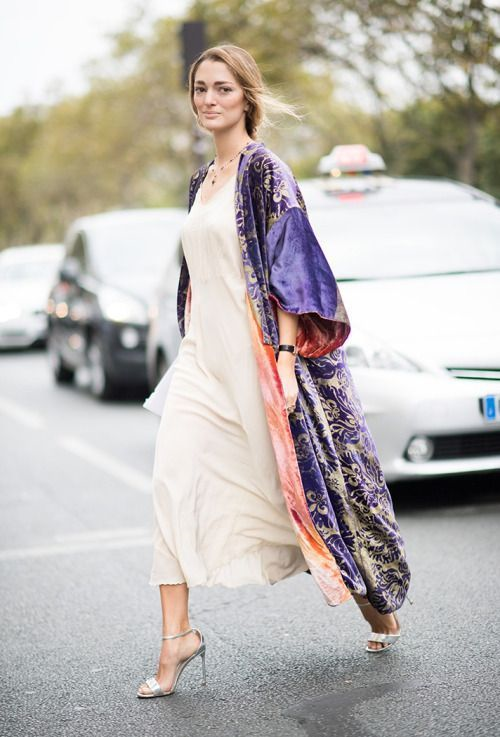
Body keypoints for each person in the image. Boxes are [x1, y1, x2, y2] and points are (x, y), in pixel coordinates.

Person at [137, 44, 411, 699]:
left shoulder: (266, 172)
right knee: (171, 482)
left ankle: (370, 596)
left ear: (246, 97)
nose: (208, 99)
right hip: (201, 361)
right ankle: (177, 638)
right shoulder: (201, 180)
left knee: (304, 493)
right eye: (200, 88)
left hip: (258, 360)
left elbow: (293, 270)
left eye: (222, 88)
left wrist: (287, 359)